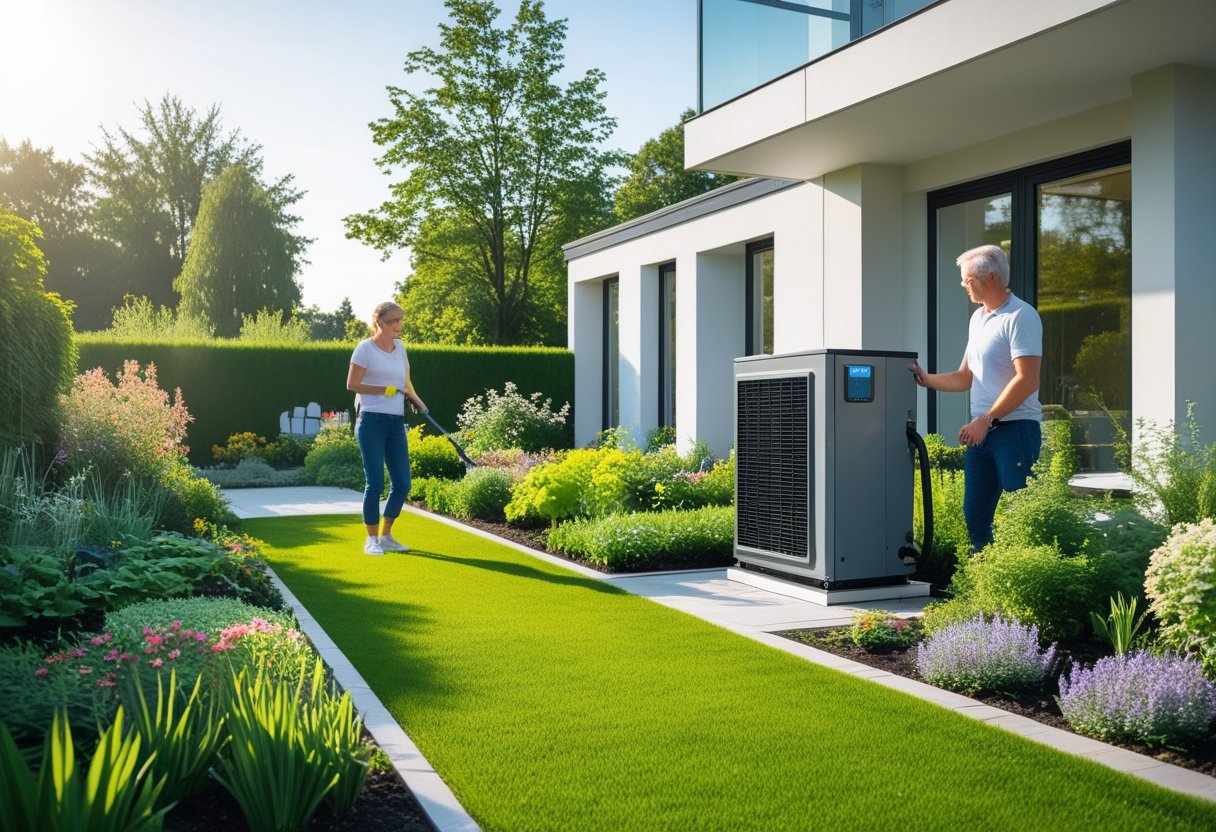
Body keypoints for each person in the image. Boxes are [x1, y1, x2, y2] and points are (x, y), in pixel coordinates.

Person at [908, 244, 1042, 553]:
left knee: (1019, 511)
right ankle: (986, 583)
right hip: (984, 436)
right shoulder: (979, 319)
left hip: (1015, 430)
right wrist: (923, 378)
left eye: (968, 279)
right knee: (976, 516)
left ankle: (1022, 576)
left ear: (990, 277)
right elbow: (965, 377)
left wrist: (985, 419)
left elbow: (1028, 380)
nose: (964, 285)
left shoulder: (1021, 316)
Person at [347, 302, 428, 556]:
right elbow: (352, 384)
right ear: (379, 322)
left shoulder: (400, 348)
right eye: (393, 320)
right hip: (371, 420)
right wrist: (383, 390)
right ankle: (371, 540)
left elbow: (405, 381)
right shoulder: (365, 349)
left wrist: (418, 400)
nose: (398, 325)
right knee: (375, 483)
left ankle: (387, 535)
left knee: (403, 484)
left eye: (400, 320)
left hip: (395, 422)